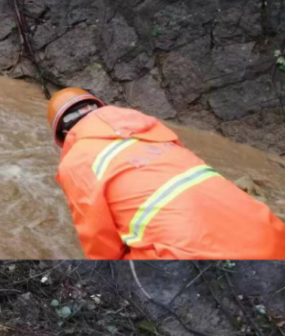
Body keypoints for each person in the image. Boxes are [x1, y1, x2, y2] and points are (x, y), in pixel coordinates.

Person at [49, 88, 285, 259]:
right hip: (271, 234)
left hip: (195, 257)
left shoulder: (75, 162)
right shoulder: (149, 125)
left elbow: (101, 245)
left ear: (64, 133)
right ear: (98, 106)